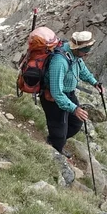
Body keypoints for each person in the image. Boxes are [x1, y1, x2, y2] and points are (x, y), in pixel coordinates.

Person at [42, 29, 100, 179]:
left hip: (69, 93)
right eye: (85, 50)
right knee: (60, 131)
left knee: (76, 123)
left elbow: (82, 70)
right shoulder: (59, 62)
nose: (87, 53)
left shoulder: (75, 55)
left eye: (88, 49)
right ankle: (55, 155)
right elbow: (56, 92)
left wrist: (94, 83)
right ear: (77, 48)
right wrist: (74, 108)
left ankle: (54, 141)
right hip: (54, 99)